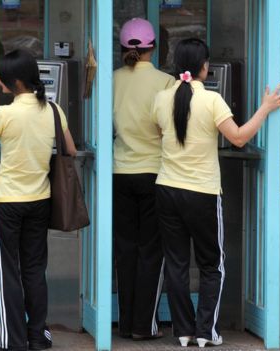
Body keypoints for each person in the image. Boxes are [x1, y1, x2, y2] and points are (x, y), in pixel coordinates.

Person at [151, 38, 280, 348]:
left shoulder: (161, 98)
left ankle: (183, 331)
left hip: (167, 188)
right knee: (212, 264)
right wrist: (264, 109)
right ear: (204, 67)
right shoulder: (212, 100)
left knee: (176, 263)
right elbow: (237, 137)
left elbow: (159, 134)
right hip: (203, 192)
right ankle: (205, 331)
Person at [0, 49, 77, 351]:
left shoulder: (6, 113)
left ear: (14, 82)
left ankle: (11, 340)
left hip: (7, 202)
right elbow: (68, 148)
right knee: (33, 270)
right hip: (40, 200)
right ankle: (37, 335)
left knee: (9, 273)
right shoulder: (54, 110)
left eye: (3, 80)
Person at [113, 18, 175, 340]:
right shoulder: (166, 82)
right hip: (154, 172)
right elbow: (170, 129)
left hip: (119, 172)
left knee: (125, 250)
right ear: (154, 48)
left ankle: (124, 324)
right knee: (151, 251)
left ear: (124, 48)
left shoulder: (113, 80)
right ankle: (143, 326)